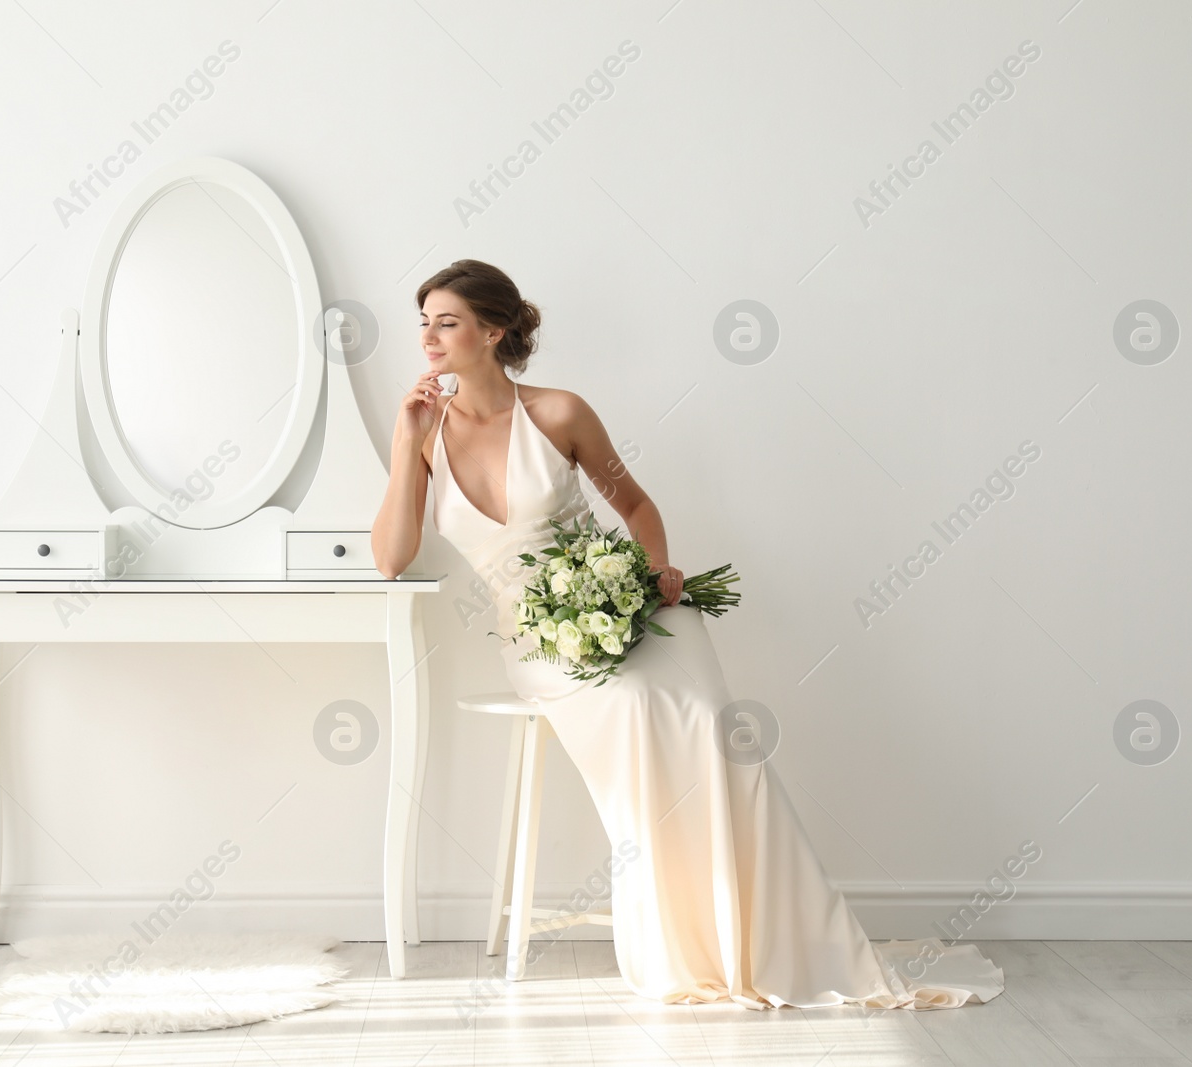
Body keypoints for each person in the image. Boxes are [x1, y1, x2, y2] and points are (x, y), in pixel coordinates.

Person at [371, 259, 1004, 1010]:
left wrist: (657, 573)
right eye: (424, 322)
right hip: (539, 643)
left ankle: (755, 934)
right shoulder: (423, 429)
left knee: (708, 724)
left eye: (446, 321)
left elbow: (635, 506)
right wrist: (408, 442)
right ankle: (684, 936)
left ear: (493, 330)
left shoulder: (560, 412)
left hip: (633, 608)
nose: (429, 337)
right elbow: (390, 556)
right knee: (641, 713)